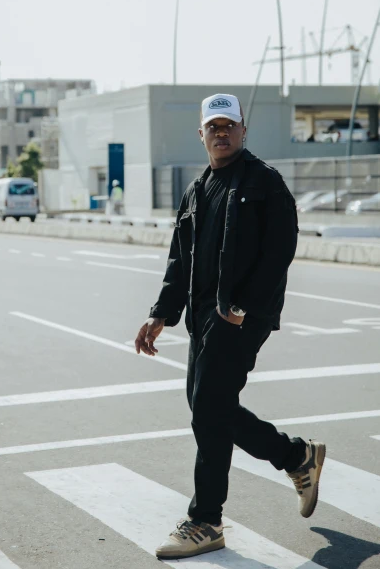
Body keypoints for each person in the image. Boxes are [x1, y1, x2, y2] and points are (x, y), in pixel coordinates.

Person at [134, 93, 326, 560]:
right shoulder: (198, 190)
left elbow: (279, 252)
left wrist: (241, 307)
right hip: (204, 319)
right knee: (207, 409)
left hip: (240, 316)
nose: (221, 134)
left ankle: (206, 520)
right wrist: (161, 313)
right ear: (201, 134)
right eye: (212, 127)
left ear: (243, 131)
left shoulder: (263, 183)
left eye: (229, 126)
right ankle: (296, 456)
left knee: (210, 406)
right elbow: (180, 261)